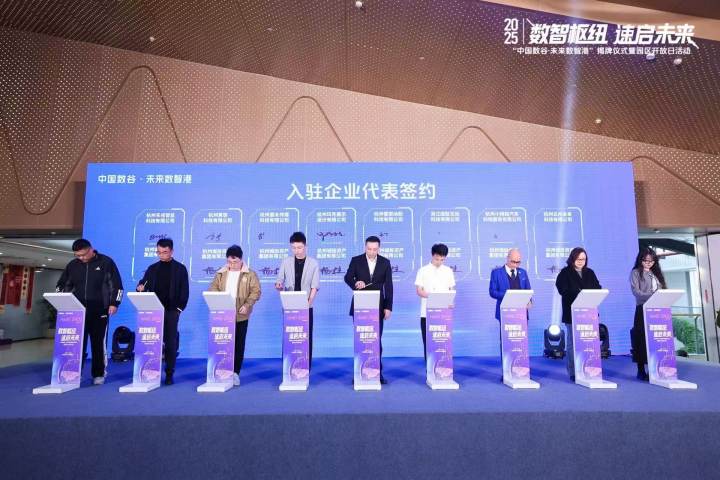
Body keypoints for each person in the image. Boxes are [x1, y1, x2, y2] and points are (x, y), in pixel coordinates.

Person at [56, 238, 123, 385]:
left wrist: (114, 303)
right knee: (77, 343)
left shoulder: (106, 262)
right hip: (76, 310)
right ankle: (74, 373)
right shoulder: (72, 265)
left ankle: (99, 374)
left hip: (100, 309)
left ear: (91, 249)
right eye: (77, 255)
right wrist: (60, 295)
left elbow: (116, 285)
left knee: (98, 343)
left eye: (83, 255)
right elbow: (63, 284)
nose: (81, 258)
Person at [136, 238, 189, 385]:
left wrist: (179, 309)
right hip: (153, 311)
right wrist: (140, 287)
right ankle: (150, 372)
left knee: (170, 342)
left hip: (172, 311)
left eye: (165, 252)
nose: (161, 255)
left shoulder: (180, 269)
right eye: (159, 252)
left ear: (171, 251)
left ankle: (169, 373)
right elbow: (143, 284)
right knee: (152, 342)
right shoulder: (152, 268)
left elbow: (185, 291)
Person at [208, 245, 261, 386]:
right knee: (223, 344)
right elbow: (213, 288)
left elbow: (256, 291)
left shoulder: (250, 274)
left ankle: (235, 373)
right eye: (229, 262)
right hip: (223, 315)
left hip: (241, 315)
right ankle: (221, 370)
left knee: (238, 344)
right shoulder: (221, 273)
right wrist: (218, 300)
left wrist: (248, 304)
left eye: (235, 262)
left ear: (241, 259)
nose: (232, 265)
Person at [344, 235, 393, 384]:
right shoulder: (356, 260)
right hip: (360, 305)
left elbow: (389, 287)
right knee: (361, 340)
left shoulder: (385, 262)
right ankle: (359, 372)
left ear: (379, 249)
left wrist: (388, 307)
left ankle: (378, 372)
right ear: (365, 247)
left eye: (374, 249)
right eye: (369, 249)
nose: (372, 252)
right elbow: (347, 277)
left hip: (378, 306)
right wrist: (355, 283)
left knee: (376, 341)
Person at [554, 247, 601, 381]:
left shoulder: (590, 273)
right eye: (578, 259)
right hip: (572, 313)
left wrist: (588, 293)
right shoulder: (565, 273)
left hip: (589, 313)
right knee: (572, 343)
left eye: (583, 259)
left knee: (589, 342)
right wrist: (578, 293)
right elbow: (562, 290)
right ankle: (573, 371)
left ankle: (589, 368)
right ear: (572, 259)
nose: (581, 262)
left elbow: (598, 288)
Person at [275, 232, 320, 368]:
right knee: (289, 336)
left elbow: (315, 286)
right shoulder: (286, 262)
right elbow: (279, 280)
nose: (297, 250)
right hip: (289, 305)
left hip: (306, 305)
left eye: (299, 247)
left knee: (306, 337)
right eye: (293, 248)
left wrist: (309, 303)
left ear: (305, 246)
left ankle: (306, 367)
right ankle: (287, 367)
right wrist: (278, 285)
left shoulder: (313, 263)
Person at [630, 247, 666, 381]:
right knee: (641, 340)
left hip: (657, 311)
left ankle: (655, 369)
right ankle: (641, 370)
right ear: (640, 260)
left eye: (651, 261)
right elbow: (637, 292)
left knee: (655, 340)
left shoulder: (655, 273)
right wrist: (653, 296)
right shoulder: (635, 273)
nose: (648, 263)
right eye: (645, 261)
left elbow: (662, 289)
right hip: (642, 309)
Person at [489, 248, 532, 362]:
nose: (516, 265)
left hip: (521, 312)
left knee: (521, 340)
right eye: (513, 262)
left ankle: (521, 365)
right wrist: (509, 296)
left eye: (518, 262)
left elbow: (528, 290)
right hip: (505, 312)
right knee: (506, 341)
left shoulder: (523, 272)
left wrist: (529, 301)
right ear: (507, 258)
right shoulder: (496, 273)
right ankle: (507, 367)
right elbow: (492, 292)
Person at [415, 243, 456, 362]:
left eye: (442, 260)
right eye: (437, 259)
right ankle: (429, 369)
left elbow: (451, 290)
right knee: (428, 342)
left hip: (444, 312)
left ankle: (444, 366)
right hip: (427, 312)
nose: (439, 262)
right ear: (432, 255)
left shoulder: (448, 271)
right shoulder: (423, 270)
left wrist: (451, 301)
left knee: (443, 341)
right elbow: (419, 291)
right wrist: (434, 297)